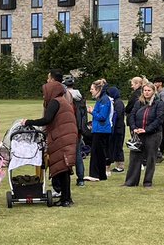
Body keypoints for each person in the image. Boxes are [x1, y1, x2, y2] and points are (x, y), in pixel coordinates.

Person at [22, 73, 78, 207]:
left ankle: (65, 199)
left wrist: (28, 122)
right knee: (64, 169)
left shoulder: (55, 102)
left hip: (62, 138)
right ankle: (66, 197)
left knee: (63, 169)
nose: (44, 95)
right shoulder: (62, 101)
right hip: (67, 136)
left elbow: (47, 119)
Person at [123, 81, 164, 188]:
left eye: (149, 90)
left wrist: (146, 130)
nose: (146, 92)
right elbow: (132, 115)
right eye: (145, 90)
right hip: (138, 134)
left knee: (151, 158)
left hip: (153, 134)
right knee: (134, 157)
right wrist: (134, 128)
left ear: (153, 91)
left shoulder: (159, 103)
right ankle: (131, 181)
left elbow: (159, 119)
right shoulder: (138, 102)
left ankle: (147, 182)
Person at [62, 75, 88, 186]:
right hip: (78, 129)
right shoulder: (80, 97)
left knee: (64, 154)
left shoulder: (65, 98)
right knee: (77, 154)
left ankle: (64, 178)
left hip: (68, 129)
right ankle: (81, 179)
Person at [86, 79, 113, 181]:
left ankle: (95, 174)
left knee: (96, 153)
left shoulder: (104, 100)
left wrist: (92, 112)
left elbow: (102, 116)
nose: (90, 91)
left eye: (92, 89)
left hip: (101, 130)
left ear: (98, 89)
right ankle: (101, 175)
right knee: (100, 153)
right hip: (99, 129)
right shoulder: (101, 99)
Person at [108, 85, 126, 174]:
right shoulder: (116, 102)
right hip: (117, 127)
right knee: (115, 146)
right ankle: (117, 164)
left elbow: (117, 115)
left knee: (118, 146)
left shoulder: (118, 103)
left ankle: (120, 166)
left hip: (118, 128)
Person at [152, 75, 164, 163]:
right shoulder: (158, 92)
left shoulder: (163, 93)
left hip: (163, 115)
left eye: (156, 82)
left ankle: (161, 150)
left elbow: (163, 104)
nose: (154, 84)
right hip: (159, 114)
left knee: (161, 133)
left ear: (160, 83)